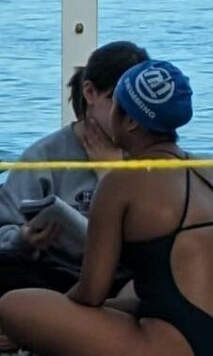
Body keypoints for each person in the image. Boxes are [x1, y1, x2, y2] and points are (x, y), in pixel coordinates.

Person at [0, 61, 213, 356]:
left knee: (15, 305)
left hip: (188, 354)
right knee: (127, 293)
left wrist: (55, 330)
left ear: (131, 120)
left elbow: (91, 293)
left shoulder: (122, 181)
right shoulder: (205, 172)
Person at [0, 39, 149, 304]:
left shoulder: (148, 151)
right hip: (56, 273)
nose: (131, 118)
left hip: (125, 276)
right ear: (90, 93)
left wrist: (112, 177)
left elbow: (161, 236)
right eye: (119, 103)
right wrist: (24, 239)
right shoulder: (45, 156)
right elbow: (4, 227)